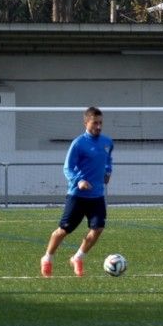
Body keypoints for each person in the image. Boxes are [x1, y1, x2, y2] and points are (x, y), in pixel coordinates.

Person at [41, 106, 113, 278]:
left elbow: (108, 160)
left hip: (97, 195)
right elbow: (67, 167)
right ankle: (47, 257)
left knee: (98, 228)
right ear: (86, 122)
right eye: (95, 123)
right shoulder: (78, 143)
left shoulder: (107, 142)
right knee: (63, 230)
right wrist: (79, 181)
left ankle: (78, 257)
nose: (98, 126)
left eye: (100, 123)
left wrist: (108, 172)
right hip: (77, 195)